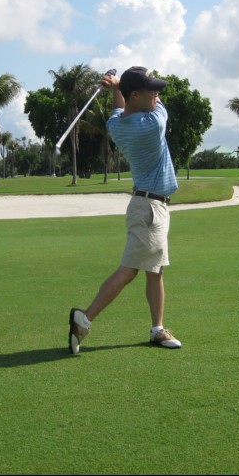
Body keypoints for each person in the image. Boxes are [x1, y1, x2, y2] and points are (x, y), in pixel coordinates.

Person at [68, 66, 182, 354]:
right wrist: (117, 86)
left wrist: (116, 90)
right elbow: (145, 106)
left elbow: (121, 110)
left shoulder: (117, 125)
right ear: (134, 94)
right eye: (152, 90)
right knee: (130, 270)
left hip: (148, 206)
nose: (157, 94)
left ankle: (157, 329)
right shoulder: (154, 122)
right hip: (150, 208)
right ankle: (85, 318)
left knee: (154, 270)